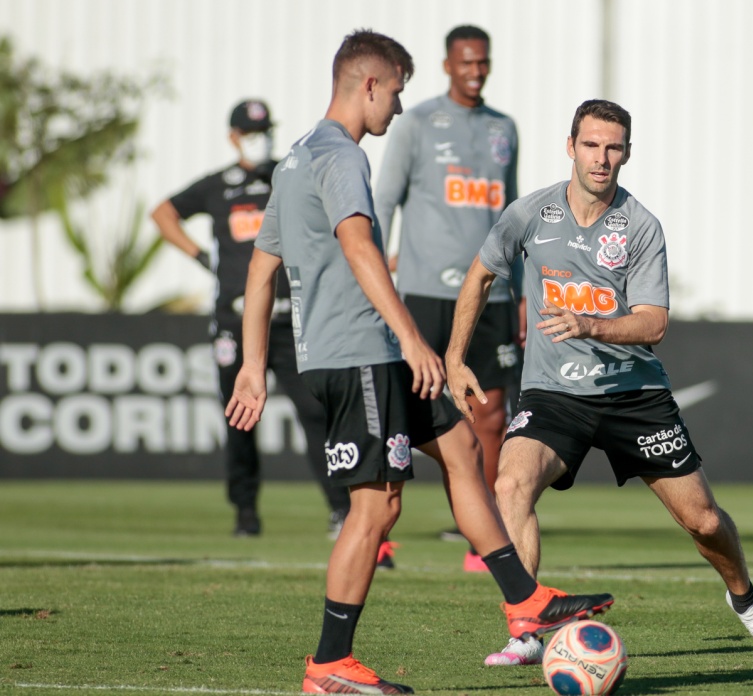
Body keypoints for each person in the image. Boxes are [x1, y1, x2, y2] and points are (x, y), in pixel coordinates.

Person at [224, 31, 614, 695]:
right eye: (396, 91)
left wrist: (253, 365)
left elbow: (261, 272)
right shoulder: (343, 157)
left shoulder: (295, 158)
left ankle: (522, 599)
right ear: (369, 84)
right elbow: (358, 246)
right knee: (375, 508)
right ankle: (328, 665)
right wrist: (410, 337)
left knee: (462, 451)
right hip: (361, 352)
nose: (399, 107)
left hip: (369, 348)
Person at [445, 99, 753, 667]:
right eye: (591, 144)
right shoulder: (529, 214)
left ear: (627, 153)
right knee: (510, 486)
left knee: (703, 521)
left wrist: (589, 323)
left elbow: (654, 321)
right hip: (554, 394)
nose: (601, 158)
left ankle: (750, 605)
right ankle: (526, 626)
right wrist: (455, 357)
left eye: (613, 147)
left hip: (632, 394)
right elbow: (481, 274)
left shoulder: (639, 225)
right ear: (570, 147)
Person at [151, 99, 351, 538]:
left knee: (315, 413)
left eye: (264, 130)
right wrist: (202, 257)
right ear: (233, 136)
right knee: (239, 419)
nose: (260, 139)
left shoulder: (288, 174)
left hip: (289, 317)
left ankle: (342, 508)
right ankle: (245, 514)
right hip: (235, 320)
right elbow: (163, 213)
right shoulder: (219, 185)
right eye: (251, 132)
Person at [374, 25, 523, 572]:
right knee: (396, 412)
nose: (475, 70)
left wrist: (524, 292)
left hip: (491, 292)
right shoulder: (415, 123)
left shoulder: (504, 128)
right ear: (447, 65)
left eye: (483, 62)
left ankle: (480, 543)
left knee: (490, 418)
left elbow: (513, 218)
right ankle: (378, 531)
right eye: (466, 62)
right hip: (422, 292)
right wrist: (377, 278)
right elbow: (384, 200)